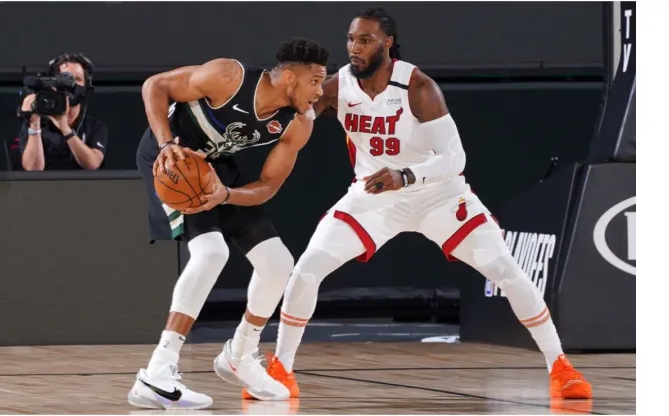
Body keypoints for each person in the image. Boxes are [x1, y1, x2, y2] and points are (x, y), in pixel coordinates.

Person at [252, 8, 593, 401]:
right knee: (307, 269)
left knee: (505, 269)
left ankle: (560, 366)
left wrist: (406, 175)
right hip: (375, 196)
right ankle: (282, 368)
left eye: (365, 40)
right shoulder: (335, 87)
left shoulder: (418, 86)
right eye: (350, 39)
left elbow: (455, 158)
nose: (354, 48)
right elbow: (286, 110)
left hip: (439, 194)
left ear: (387, 44)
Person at [129, 38, 329, 410]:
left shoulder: (299, 124)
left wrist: (226, 195)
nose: (321, 91)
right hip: (171, 162)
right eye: (315, 81)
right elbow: (154, 86)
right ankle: (158, 370)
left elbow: (268, 185)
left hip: (214, 172)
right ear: (289, 77)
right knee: (211, 252)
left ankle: (240, 353)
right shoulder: (229, 77)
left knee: (279, 263)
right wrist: (165, 144)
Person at [17, 53, 108, 171]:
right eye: (65, 78)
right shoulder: (35, 122)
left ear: (86, 87)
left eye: (78, 79)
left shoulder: (95, 127)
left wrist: (66, 130)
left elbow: (93, 164)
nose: (71, 84)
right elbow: (33, 169)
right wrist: (34, 125)